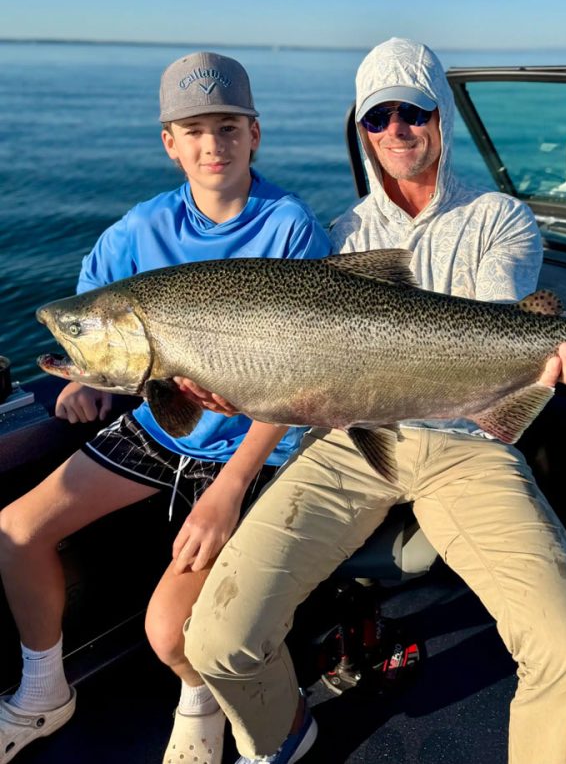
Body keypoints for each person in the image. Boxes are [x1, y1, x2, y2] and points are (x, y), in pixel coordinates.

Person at [182, 38, 566, 764]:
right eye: (377, 119)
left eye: (411, 112)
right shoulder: (345, 237)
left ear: (440, 117)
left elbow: (490, 323)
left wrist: (555, 343)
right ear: (362, 132)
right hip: (355, 442)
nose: (396, 132)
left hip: (466, 444)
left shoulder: (499, 218)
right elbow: (306, 366)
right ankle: (283, 734)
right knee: (215, 639)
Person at [0, 51, 330, 764]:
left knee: (169, 630)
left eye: (228, 127)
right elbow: (96, 320)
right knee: (17, 530)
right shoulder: (135, 231)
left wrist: (232, 488)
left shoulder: (292, 229)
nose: (213, 144)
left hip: (255, 448)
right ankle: (44, 689)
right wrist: (88, 379)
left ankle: (200, 698)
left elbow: (305, 380)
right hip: (156, 429)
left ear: (255, 134)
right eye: (195, 129)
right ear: (169, 143)